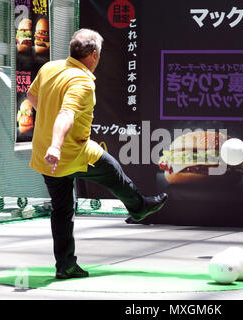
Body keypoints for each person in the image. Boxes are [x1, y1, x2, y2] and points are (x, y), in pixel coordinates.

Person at [26, 29, 168, 280]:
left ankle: (66, 266)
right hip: (70, 153)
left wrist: (48, 133)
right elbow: (66, 114)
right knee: (112, 169)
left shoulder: (49, 68)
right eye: (99, 53)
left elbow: (31, 96)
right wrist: (56, 145)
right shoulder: (82, 81)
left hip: (44, 157)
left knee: (61, 210)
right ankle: (139, 207)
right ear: (93, 54)